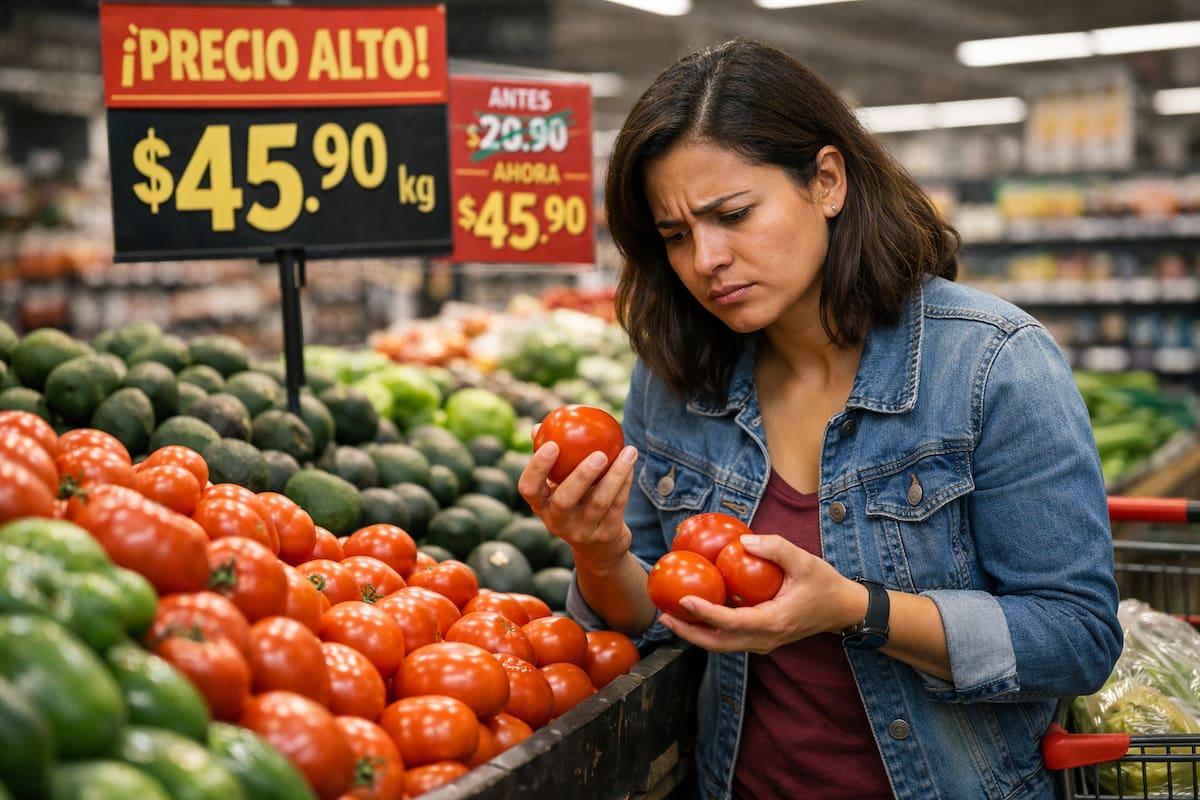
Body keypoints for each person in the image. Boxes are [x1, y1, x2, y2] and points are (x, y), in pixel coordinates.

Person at [517, 37, 1123, 800]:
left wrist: (855, 609)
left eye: (732, 214)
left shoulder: (992, 366)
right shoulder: (676, 379)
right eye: (675, 236)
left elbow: (1076, 637)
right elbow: (654, 624)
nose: (706, 258)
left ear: (826, 181)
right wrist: (600, 554)